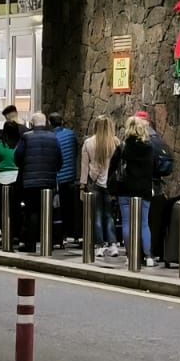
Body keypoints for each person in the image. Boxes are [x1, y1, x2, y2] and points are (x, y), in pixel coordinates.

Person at [14, 113, 61, 252]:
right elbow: (59, 160)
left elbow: (17, 157)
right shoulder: (53, 137)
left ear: (32, 124)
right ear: (45, 123)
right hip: (49, 181)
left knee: (32, 212)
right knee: (47, 211)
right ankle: (48, 243)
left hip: (30, 181)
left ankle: (31, 244)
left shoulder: (26, 137)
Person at [112, 116, 156, 266]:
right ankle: (149, 256)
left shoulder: (123, 147)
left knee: (126, 222)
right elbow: (153, 168)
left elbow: (113, 166)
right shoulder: (149, 147)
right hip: (144, 189)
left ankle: (130, 256)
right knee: (144, 223)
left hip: (125, 189)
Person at [81, 115, 120, 257]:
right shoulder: (115, 143)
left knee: (96, 215)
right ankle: (113, 244)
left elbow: (84, 166)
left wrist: (82, 185)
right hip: (110, 184)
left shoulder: (88, 143)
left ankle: (99, 245)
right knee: (109, 215)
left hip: (94, 183)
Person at [50, 113, 80, 242]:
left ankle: (59, 234)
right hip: (70, 176)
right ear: (62, 121)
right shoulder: (71, 134)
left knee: (57, 209)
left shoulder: (51, 137)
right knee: (70, 207)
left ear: (50, 123)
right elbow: (75, 151)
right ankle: (71, 233)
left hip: (57, 177)